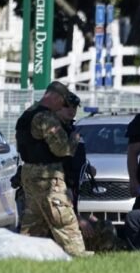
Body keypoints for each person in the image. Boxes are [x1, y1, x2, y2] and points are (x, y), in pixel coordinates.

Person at [15, 81, 90, 257]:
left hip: (29, 175)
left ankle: (22, 261)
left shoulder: (27, 114)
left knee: (33, 227)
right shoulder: (46, 117)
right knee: (65, 222)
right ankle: (79, 258)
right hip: (48, 179)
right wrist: (74, 139)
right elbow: (61, 149)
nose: (62, 106)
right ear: (54, 97)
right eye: (62, 102)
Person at [55, 93, 125, 252]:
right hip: (60, 205)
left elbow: (75, 158)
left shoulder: (72, 129)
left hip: (71, 200)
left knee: (105, 227)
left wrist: (86, 167)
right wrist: (79, 219)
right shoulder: (56, 133)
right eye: (67, 106)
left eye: (74, 107)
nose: (71, 110)